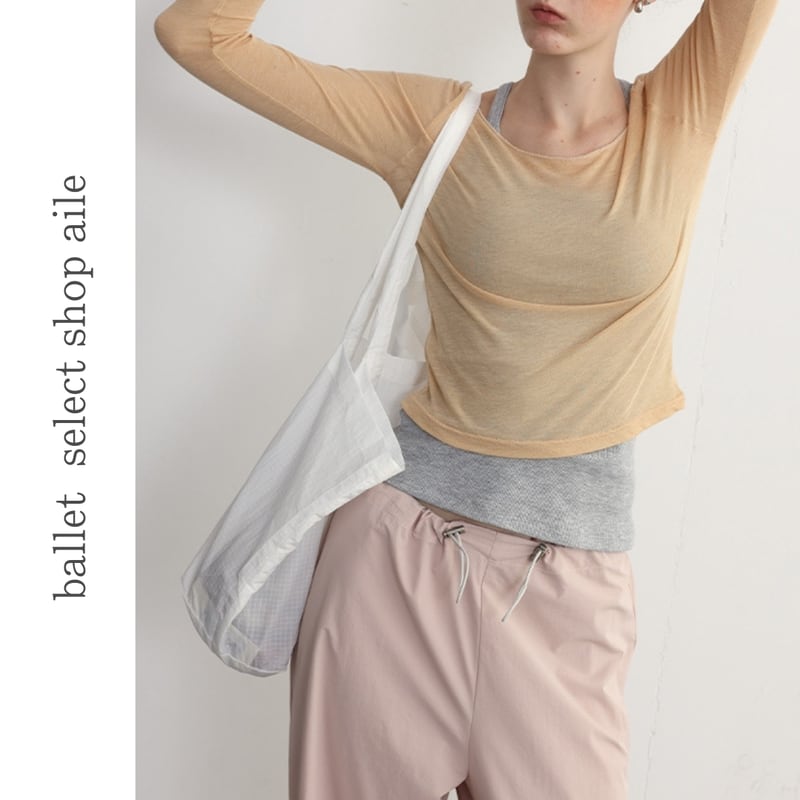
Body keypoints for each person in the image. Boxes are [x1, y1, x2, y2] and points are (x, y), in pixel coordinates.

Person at [153, 1, 778, 797]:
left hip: (568, 593)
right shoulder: (433, 127)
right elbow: (198, 36)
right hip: (392, 566)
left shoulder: (678, 114)